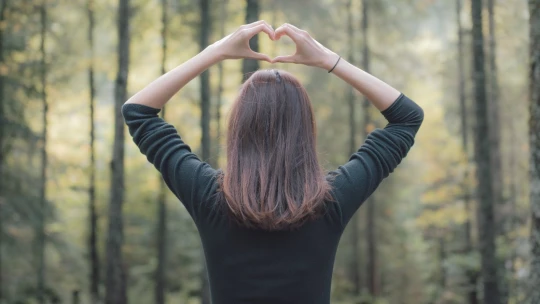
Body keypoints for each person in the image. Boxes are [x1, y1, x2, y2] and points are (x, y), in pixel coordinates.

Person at [122, 21, 424, 304]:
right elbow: (407, 119)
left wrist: (215, 52)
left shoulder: (209, 196)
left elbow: (138, 111)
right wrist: (329, 60)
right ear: (305, 127)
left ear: (239, 126)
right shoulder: (332, 199)